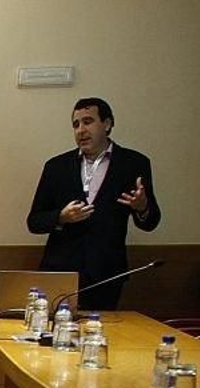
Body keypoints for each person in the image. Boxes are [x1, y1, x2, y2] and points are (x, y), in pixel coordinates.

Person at [26, 97, 161, 311]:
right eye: (76, 124)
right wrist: (61, 217)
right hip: (61, 270)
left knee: (99, 328)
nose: (81, 130)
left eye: (88, 121)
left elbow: (151, 222)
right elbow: (34, 221)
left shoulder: (133, 163)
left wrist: (142, 207)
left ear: (107, 124)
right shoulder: (56, 167)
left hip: (106, 272)